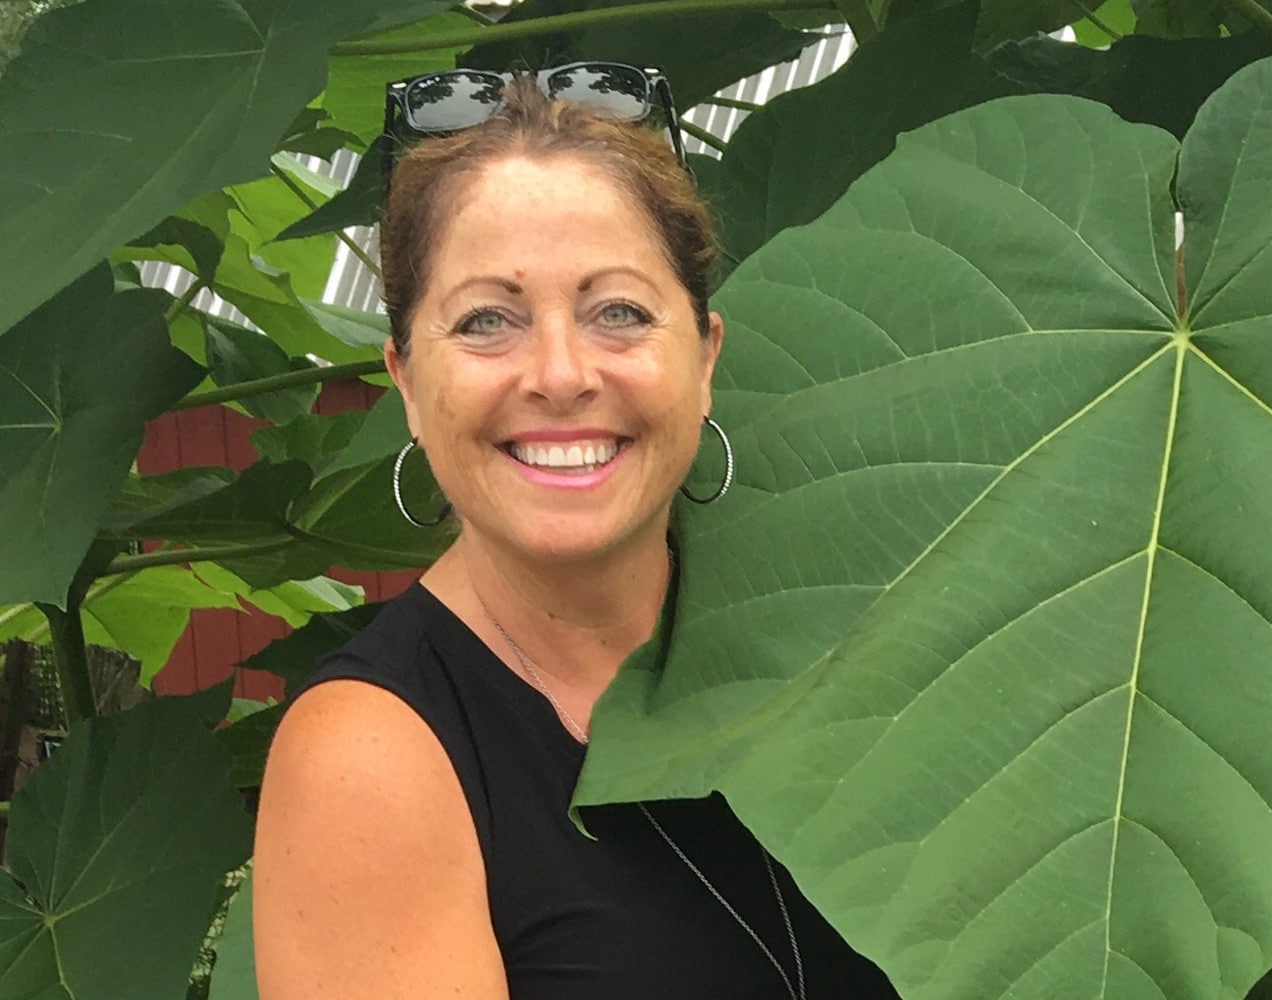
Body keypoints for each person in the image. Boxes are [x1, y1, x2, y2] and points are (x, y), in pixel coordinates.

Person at [251, 67, 899, 999]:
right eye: (487, 321)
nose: (560, 373)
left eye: (619, 312)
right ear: (405, 381)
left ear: (706, 355)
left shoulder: (849, 635)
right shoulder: (369, 764)